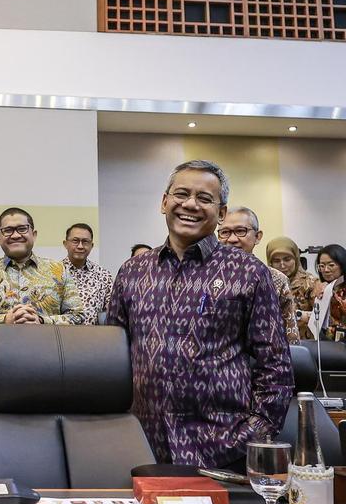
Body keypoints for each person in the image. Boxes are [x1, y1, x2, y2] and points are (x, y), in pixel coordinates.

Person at [107, 160, 292, 470]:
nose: (190, 204)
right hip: (143, 448)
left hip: (223, 451)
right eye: (181, 194)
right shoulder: (133, 272)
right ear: (164, 202)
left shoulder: (248, 272)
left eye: (205, 198)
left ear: (221, 213)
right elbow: (113, 358)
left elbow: (275, 366)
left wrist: (251, 436)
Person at [0, 207, 84, 336]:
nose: (16, 235)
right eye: (8, 230)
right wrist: (4, 320)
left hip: (47, 347)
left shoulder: (58, 270)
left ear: (34, 235)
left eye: (22, 229)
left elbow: (78, 317)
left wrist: (42, 321)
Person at [217, 208, 299, 344]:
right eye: (225, 232)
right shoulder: (207, 275)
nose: (232, 239)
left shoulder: (276, 278)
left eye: (240, 231)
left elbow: (290, 335)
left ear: (258, 236)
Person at [267, 236, 320, 341]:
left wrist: (298, 315)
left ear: (296, 259)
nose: (282, 265)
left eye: (287, 259)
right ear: (270, 262)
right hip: (272, 342)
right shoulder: (264, 282)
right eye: (276, 261)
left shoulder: (311, 283)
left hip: (304, 343)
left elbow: (323, 318)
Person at [61, 222, 113, 325]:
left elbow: (111, 312)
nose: (80, 246)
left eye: (85, 242)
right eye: (75, 241)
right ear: (65, 244)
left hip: (95, 334)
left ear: (91, 245)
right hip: (61, 334)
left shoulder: (103, 275)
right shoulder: (54, 272)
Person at [309, 244, 346, 341]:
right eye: (322, 266)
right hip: (328, 342)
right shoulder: (322, 288)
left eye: (331, 265)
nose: (326, 270)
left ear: (342, 265)